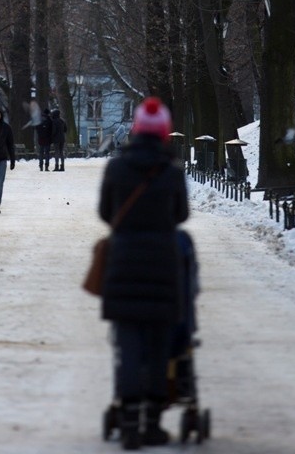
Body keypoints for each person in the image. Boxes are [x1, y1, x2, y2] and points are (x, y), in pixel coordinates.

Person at [98, 96, 188, 449]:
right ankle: (152, 422)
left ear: (136, 130)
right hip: (163, 266)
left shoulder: (117, 168)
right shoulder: (172, 171)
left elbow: (106, 212)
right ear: (164, 132)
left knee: (128, 346)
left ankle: (130, 420)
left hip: (123, 263)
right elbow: (181, 215)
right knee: (157, 348)